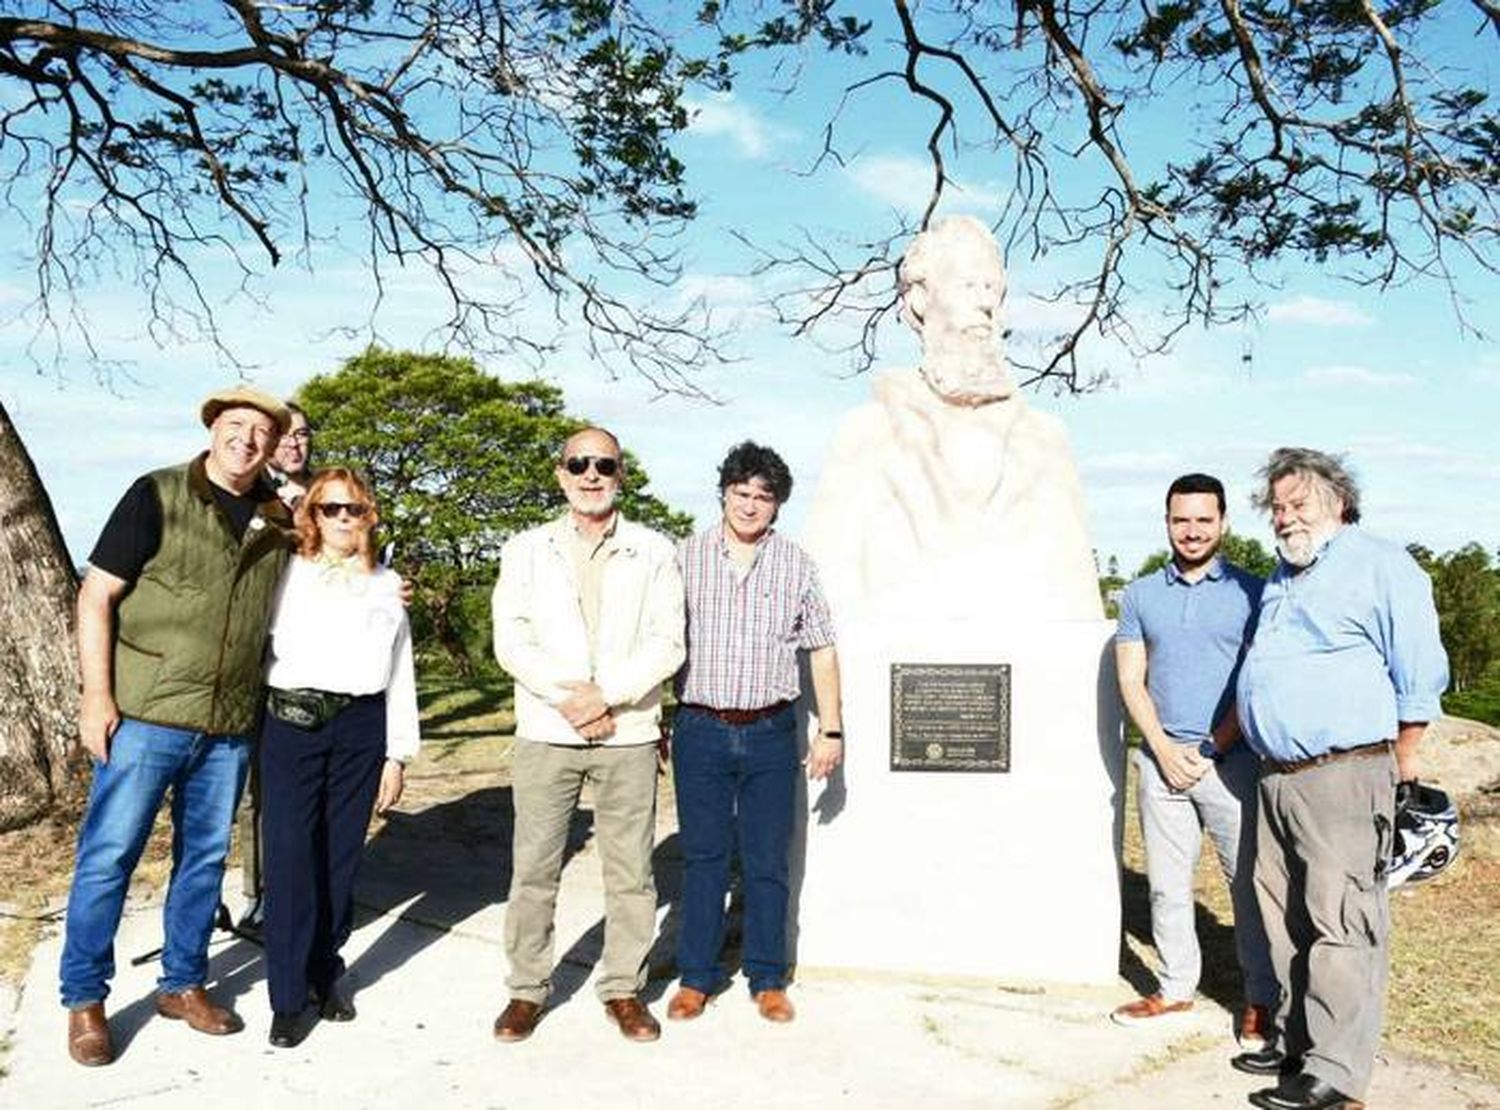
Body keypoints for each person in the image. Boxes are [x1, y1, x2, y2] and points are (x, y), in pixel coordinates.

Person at [60, 386, 293, 1067]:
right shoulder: (155, 494)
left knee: (203, 863)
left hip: (225, 727)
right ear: (213, 428)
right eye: (235, 425)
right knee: (108, 859)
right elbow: (96, 594)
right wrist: (95, 696)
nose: (246, 440)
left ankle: (183, 984)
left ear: (273, 445)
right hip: (143, 718)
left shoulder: (278, 518)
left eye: (260, 432)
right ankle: (85, 999)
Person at [1232, 448, 1448, 1110]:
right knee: (1285, 918)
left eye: (1299, 504)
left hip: (1344, 773)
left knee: (1342, 919)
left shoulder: (1381, 564)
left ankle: (1337, 1072)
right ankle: (1301, 1045)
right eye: (1278, 506)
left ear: (1339, 502)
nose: (1286, 516)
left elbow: (1419, 666)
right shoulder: (1283, 575)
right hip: (1276, 777)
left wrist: (1406, 755)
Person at [803, 214, 1100, 623]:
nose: (985, 303)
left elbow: (1077, 604)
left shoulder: (1045, 439)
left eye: (992, 288)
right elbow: (822, 607)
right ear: (921, 299)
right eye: (968, 285)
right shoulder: (866, 435)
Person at [490, 427, 685, 1043]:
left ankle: (624, 988)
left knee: (630, 874)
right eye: (579, 463)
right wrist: (570, 699)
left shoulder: (655, 550)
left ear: (621, 473)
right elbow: (511, 639)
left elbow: (668, 641)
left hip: (627, 732)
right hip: (548, 729)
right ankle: (527, 990)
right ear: (561, 473)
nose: (591, 474)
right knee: (534, 868)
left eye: (604, 464)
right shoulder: (524, 549)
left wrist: (608, 696)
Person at [667, 442, 843, 1025]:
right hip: (701, 729)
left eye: (763, 496)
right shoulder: (683, 558)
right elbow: (657, 641)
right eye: (741, 493)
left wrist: (832, 730)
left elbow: (821, 650)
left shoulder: (796, 565)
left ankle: (767, 977)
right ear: (723, 493)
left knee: (768, 861)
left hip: (771, 730)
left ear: (777, 506)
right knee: (704, 858)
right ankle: (697, 975)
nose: (749, 505)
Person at [1111, 474, 1277, 1049]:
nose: (1192, 530)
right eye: (1181, 519)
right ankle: (1176, 985)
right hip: (1160, 764)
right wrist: (1160, 748)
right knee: (1166, 886)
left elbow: (1256, 681)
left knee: (1247, 886)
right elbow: (1131, 678)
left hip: (1231, 763)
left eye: (1204, 519)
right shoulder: (1139, 595)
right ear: (1167, 523)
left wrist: (1211, 747)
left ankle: (1260, 999)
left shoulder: (1255, 591)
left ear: (1223, 523)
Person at [259, 468, 417, 1048]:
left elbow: (402, 673)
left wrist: (396, 755)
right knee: (290, 857)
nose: (343, 518)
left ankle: (326, 972)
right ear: (312, 515)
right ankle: (287, 995)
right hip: (291, 723)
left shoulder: (387, 583)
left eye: (354, 509)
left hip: (360, 726)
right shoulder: (286, 574)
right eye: (330, 509)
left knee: (340, 858)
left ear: (369, 515)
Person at [267, 402, 314, 509]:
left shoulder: (328, 486)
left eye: (301, 434)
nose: (293, 444)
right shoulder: (247, 489)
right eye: (283, 436)